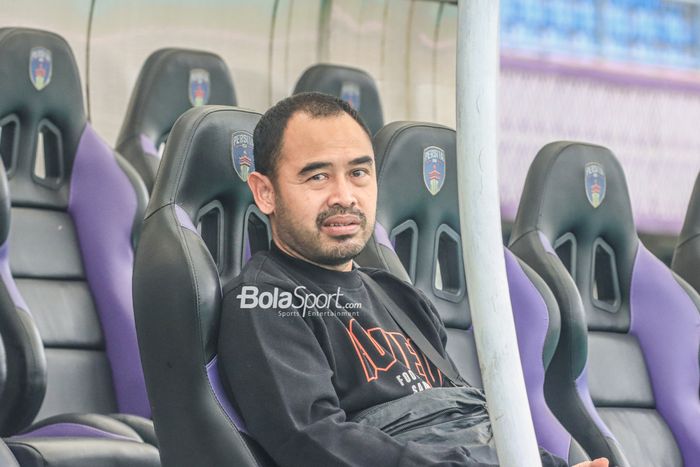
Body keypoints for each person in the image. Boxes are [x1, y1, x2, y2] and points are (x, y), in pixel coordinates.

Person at [219, 92, 609, 467]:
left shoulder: (399, 296)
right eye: (318, 177)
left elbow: (465, 419)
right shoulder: (263, 304)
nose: (345, 196)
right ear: (265, 193)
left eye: (358, 173)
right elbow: (313, 444)